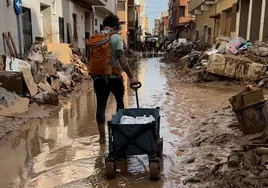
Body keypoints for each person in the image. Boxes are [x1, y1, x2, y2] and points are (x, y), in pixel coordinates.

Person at [88, 14, 139, 144]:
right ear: (116, 27)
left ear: (104, 25)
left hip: (99, 78)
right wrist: (131, 77)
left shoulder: (95, 39)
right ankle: (119, 135)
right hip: (114, 77)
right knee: (120, 103)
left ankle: (102, 139)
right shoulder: (116, 37)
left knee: (101, 106)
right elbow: (121, 58)